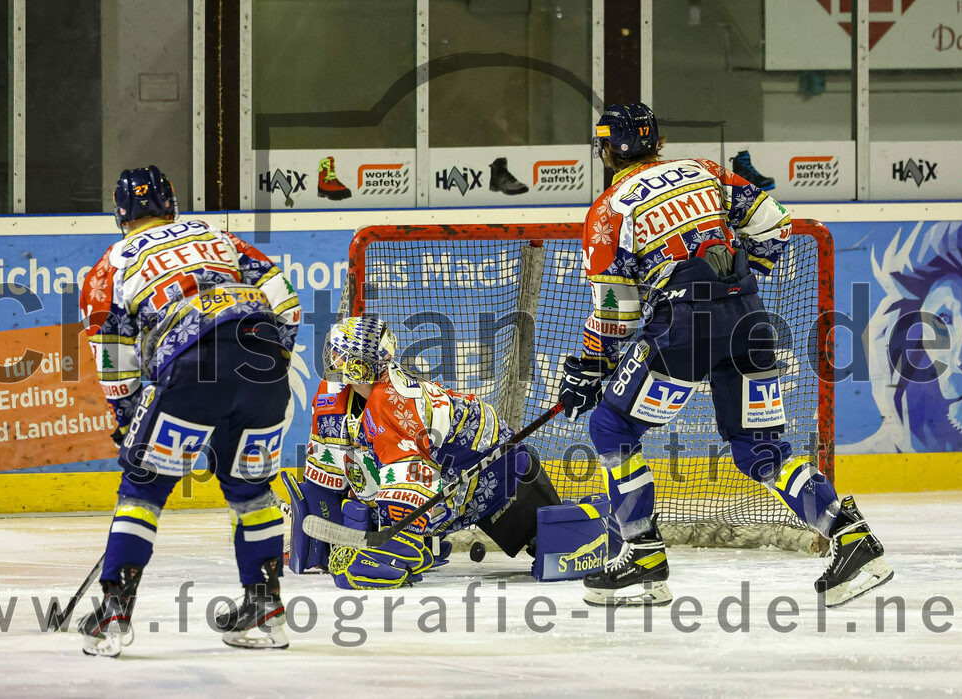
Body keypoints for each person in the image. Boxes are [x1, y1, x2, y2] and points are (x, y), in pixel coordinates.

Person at [558, 104, 893, 608]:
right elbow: (776, 224)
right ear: (656, 140)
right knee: (761, 450)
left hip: (685, 331)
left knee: (612, 427)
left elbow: (617, 313)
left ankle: (643, 559)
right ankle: (852, 537)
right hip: (749, 320)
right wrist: (738, 273)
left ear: (608, 149)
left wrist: (589, 367)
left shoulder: (609, 211)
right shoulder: (705, 171)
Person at [77, 165, 301, 656]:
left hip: (192, 366)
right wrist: (271, 360)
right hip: (264, 367)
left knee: (144, 486)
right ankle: (266, 609)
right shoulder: (217, 236)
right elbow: (286, 301)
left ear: (120, 213)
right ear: (171, 205)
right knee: (251, 490)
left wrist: (126, 417)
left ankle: (114, 614)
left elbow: (113, 352)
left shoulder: (110, 265)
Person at [283, 316, 561, 589]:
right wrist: (325, 515)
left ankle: (414, 541)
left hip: (498, 467)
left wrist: (402, 539)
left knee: (544, 539)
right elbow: (329, 461)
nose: (333, 361)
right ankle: (418, 537)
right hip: (453, 471)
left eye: (340, 355)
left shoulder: (393, 402)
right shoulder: (333, 391)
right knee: (366, 475)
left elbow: (411, 472)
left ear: (359, 366)